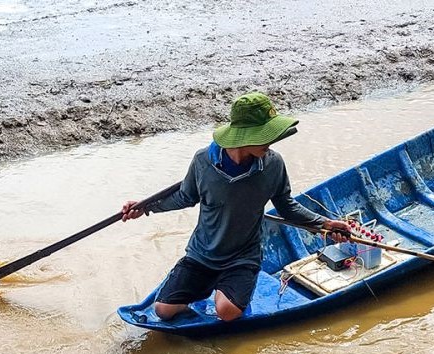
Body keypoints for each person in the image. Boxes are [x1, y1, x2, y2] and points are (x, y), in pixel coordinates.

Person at [121, 92, 350, 322]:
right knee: (163, 310)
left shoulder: (273, 164)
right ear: (243, 136)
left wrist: (325, 224)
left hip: (243, 256)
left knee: (227, 312)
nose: (270, 143)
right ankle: (207, 289)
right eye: (264, 136)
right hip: (202, 254)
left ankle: (231, 292)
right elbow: (185, 196)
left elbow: (287, 207)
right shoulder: (203, 161)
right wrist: (147, 206)